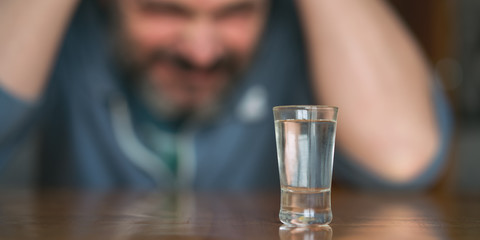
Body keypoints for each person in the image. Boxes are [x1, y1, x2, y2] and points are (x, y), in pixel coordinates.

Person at [0, 0, 452, 190]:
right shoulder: (71, 39)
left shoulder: (292, 39)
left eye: (234, 12)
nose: (201, 52)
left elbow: (405, 157)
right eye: (165, 9)